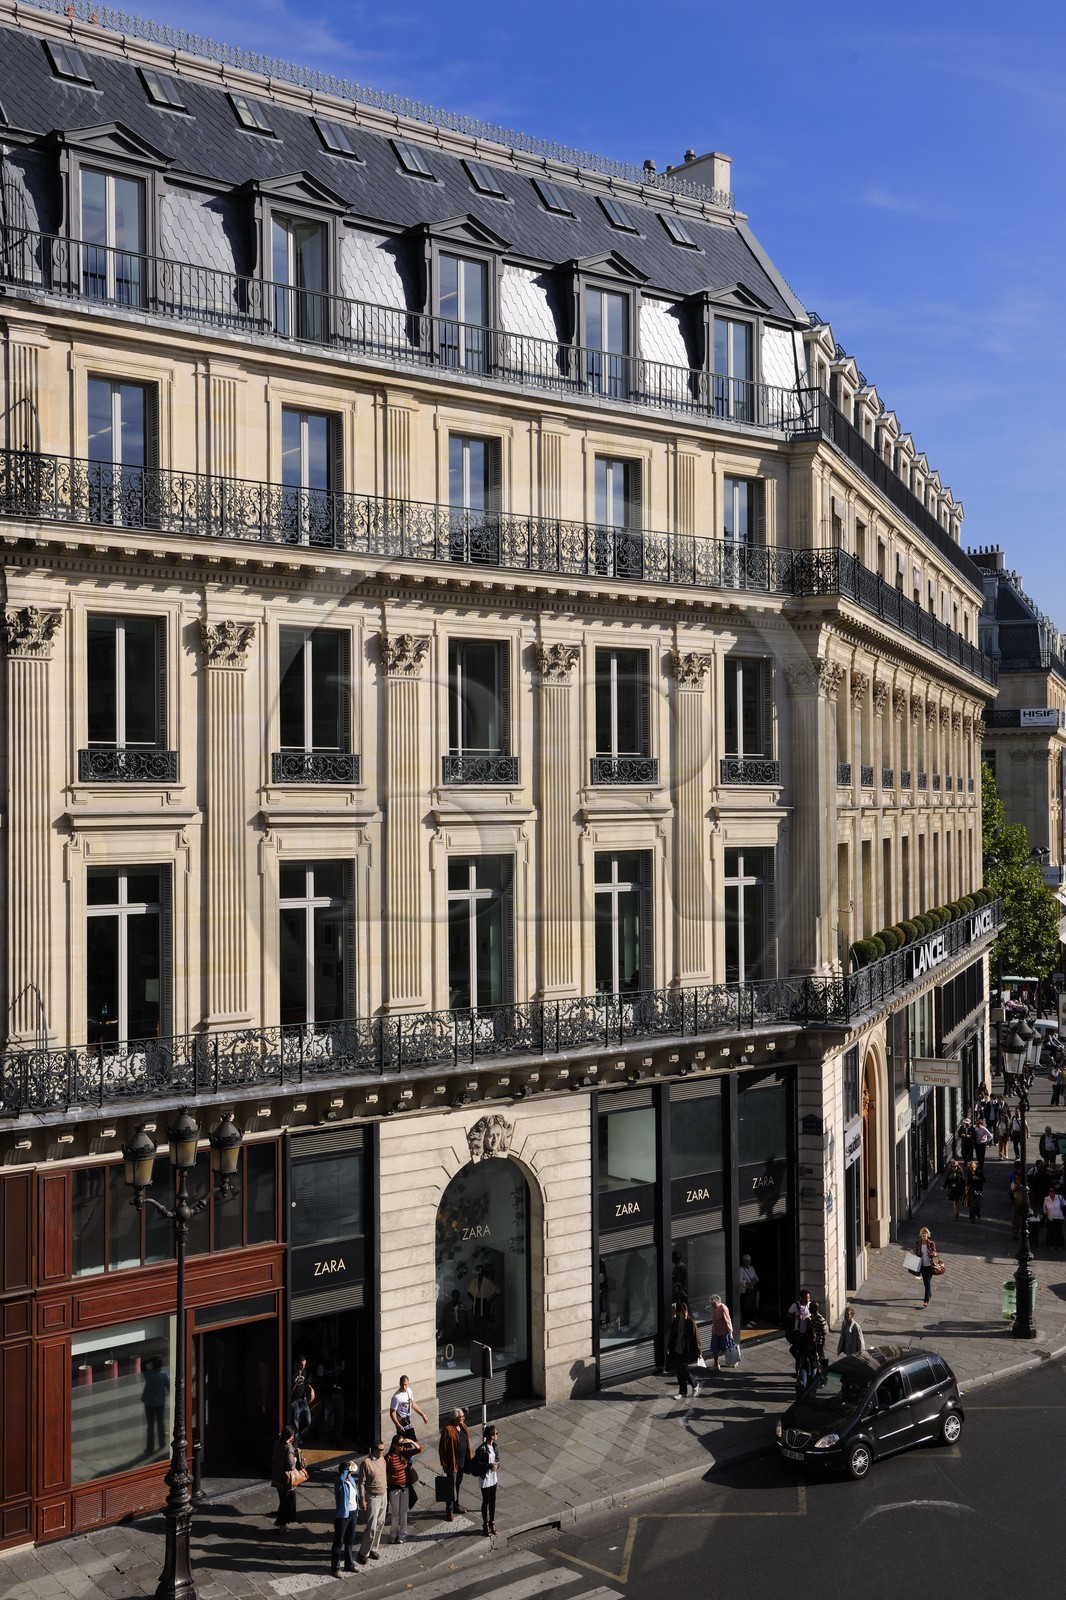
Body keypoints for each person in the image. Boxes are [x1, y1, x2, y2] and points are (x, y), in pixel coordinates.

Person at [385, 1431, 421, 1544]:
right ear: (394, 1445)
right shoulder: (389, 1457)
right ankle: (393, 1534)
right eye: (400, 1444)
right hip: (394, 1487)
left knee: (404, 1511)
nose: (402, 1446)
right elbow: (384, 1471)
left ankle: (402, 1535)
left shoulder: (405, 1452)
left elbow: (419, 1449)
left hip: (405, 1486)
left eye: (403, 1444)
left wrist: (410, 1441)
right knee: (395, 1512)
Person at [356, 1441, 388, 1565]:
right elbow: (361, 1482)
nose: (383, 1452)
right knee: (372, 1526)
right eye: (381, 1450)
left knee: (380, 1523)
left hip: (383, 1495)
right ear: (374, 1450)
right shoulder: (366, 1463)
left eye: (383, 1449)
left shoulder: (382, 1459)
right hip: (373, 1497)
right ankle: (363, 1552)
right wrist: (362, 1499)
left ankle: (374, 1548)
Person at [438, 1407, 472, 1520]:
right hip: (453, 1464)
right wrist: (444, 1463)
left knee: (458, 1484)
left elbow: (466, 1443)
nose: (463, 1418)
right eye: (460, 1417)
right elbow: (442, 1448)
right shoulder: (448, 1430)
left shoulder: (463, 1427)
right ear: (454, 1418)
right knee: (450, 1486)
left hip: (462, 1462)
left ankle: (456, 1505)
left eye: (463, 1416)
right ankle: (449, 1510)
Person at [668, 1300, 703, 1399]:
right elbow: (672, 1335)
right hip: (676, 1349)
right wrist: (669, 1347)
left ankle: (694, 1383)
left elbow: (697, 1337)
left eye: (686, 1313)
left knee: (682, 1369)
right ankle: (682, 1392)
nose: (685, 1315)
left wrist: (699, 1351)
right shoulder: (676, 1321)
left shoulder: (691, 1322)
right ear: (679, 1313)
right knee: (679, 1371)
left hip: (685, 1350)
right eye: (683, 1313)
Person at [330, 1460, 359, 1577]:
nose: (349, 1475)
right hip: (343, 1516)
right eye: (348, 1472)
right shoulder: (339, 1483)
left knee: (350, 1540)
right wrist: (345, 1469)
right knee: (338, 1542)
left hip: (353, 1513)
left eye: (350, 1473)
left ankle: (349, 1564)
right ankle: (335, 1568)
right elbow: (341, 1479)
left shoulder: (351, 1480)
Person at [271, 1424, 301, 1531]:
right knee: (288, 1503)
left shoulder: (277, 1443)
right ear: (291, 1437)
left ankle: (280, 1520)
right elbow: (291, 1465)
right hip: (286, 1481)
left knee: (283, 1500)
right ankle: (282, 1525)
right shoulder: (288, 1448)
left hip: (277, 1478)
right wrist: (296, 1459)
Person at [473, 1424, 500, 1537]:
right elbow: (476, 1464)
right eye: (496, 1433)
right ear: (491, 1435)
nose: (497, 1435)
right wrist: (489, 1466)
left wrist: (497, 1466)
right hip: (485, 1478)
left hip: (493, 1477)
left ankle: (492, 1521)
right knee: (486, 1501)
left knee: (493, 1499)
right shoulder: (481, 1449)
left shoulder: (494, 1446)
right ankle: (485, 1524)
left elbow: (497, 1459)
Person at [141, 1356, 169, 1455]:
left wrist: (148, 1360)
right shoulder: (164, 1375)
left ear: (152, 1365)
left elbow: (142, 1366)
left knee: (150, 1425)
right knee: (160, 1423)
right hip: (160, 1403)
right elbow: (168, 1386)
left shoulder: (149, 1374)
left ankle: (150, 1447)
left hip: (149, 1403)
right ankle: (162, 1443)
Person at [389, 1374, 428, 1441]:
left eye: (405, 1385)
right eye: (402, 1384)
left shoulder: (409, 1391)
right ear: (399, 1383)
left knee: (409, 1443)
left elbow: (413, 1404)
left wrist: (423, 1415)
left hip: (408, 1421)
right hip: (402, 1424)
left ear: (408, 1383)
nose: (404, 1387)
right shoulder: (396, 1397)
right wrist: (397, 1424)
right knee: (409, 1443)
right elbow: (392, 1413)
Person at [290, 1357, 315, 1445]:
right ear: (296, 1363)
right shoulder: (291, 1372)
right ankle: (296, 1447)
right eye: (301, 1365)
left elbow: (306, 1382)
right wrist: (298, 1377)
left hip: (303, 1400)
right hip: (294, 1401)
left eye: (304, 1365)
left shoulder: (304, 1371)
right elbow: (290, 1390)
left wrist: (311, 1389)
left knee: (308, 1421)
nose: (303, 1367)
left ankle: (299, 1435)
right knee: (295, 1426)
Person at [708, 1294, 734, 1373]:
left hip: (723, 1332)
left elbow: (728, 1321)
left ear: (718, 1302)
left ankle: (733, 1360)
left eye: (714, 1304)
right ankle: (716, 1365)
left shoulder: (723, 1308)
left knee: (728, 1347)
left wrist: (730, 1333)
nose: (713, 1306)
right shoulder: (713, 1308)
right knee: (714, 1348)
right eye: (712, 1304)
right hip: (715, 1331)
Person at [915, 1226, 939, 1307]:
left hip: (929, 1266)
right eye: (922, 1234)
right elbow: (916, 1251)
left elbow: (935, 1252)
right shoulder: (918, 1243)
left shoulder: (931, 1243)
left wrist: (934, 1254)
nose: (924, 1236)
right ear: (921, 1235)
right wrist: (912, 1251)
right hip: (922, 1265)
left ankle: (926, 1300)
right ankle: (930, 1294)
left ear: (928, 1235)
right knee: (926, 1283)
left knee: (927, 1282)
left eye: (925, 1235)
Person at [739, 1255, 760, 1327]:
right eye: (746, 1261)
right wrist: (747, 1283)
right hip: (745, 1291)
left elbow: (756, 1278)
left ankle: (751, 1319)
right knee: (745, 1306)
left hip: (752, 1290)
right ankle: (745, 1321)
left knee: (752, 1305)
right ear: (743, 1261)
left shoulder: (752, 1268)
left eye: (749, 1261)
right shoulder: (741, 1269)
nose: (747, 1263)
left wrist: (753, 1282)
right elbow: (739, 1280)